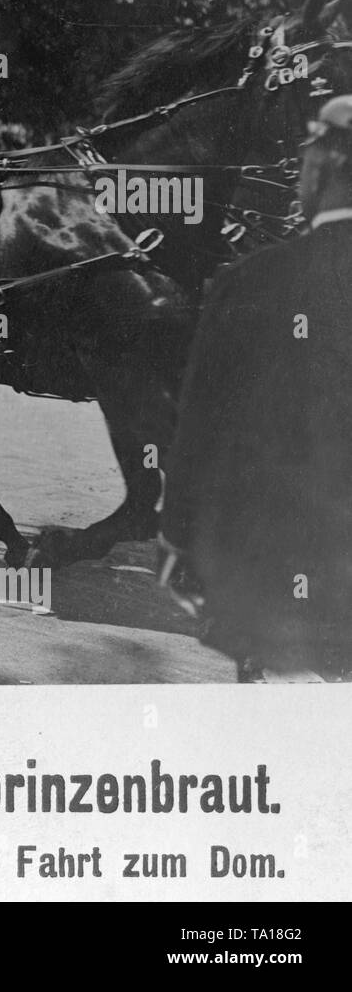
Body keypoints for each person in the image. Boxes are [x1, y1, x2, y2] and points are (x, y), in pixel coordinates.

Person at [159, 93, 352, 682]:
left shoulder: (251, 283)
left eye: (306, 154)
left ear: (328, 165)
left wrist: (178, 541)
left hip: (278, 598)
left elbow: (198, 430)